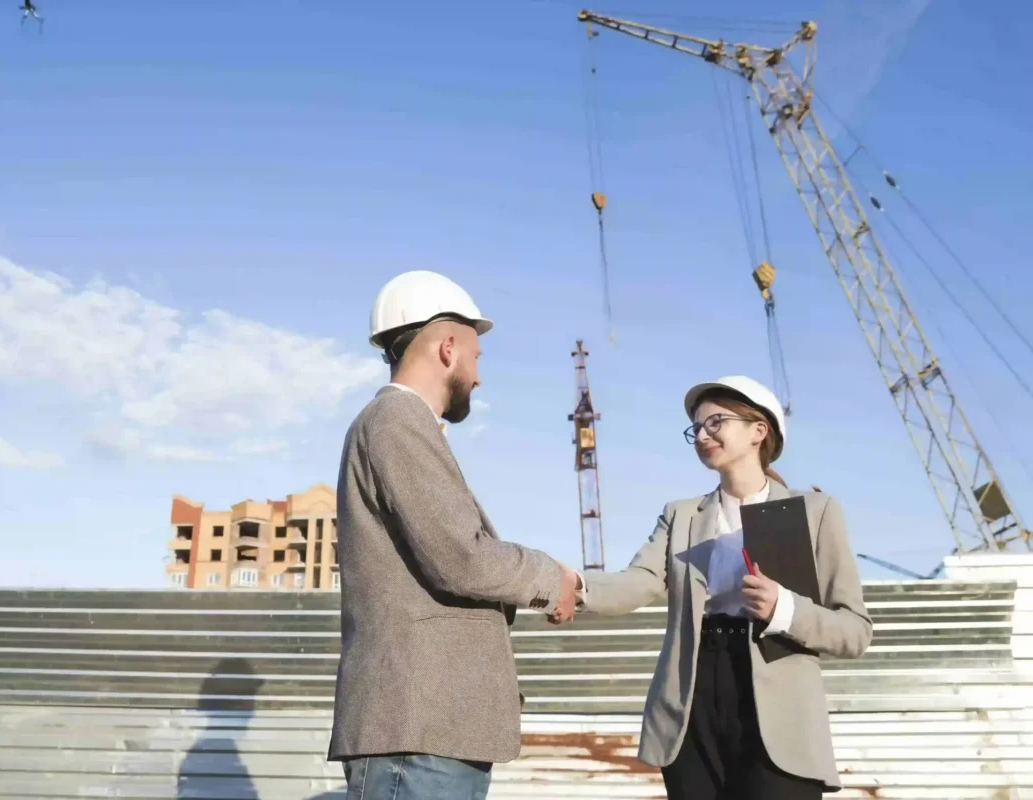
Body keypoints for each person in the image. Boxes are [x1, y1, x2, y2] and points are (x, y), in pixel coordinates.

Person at [328, 270, 577, 799]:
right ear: (447, 348)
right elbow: (462, 558)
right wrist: (551, 578)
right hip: (416, 734)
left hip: (430, 734)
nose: (479, 377)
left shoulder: (398, 426)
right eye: (477, 357)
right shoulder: (395, 421)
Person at [569, 375, 872, 798]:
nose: (703, 435)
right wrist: (575, 586)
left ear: (758, 430)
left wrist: (784, 609)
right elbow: (638, 582)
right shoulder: (681, 515)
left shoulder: (813, 511)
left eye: (716, 422)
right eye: (697, 428)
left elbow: (855, 631)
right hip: (693, 700)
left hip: (778, 709)